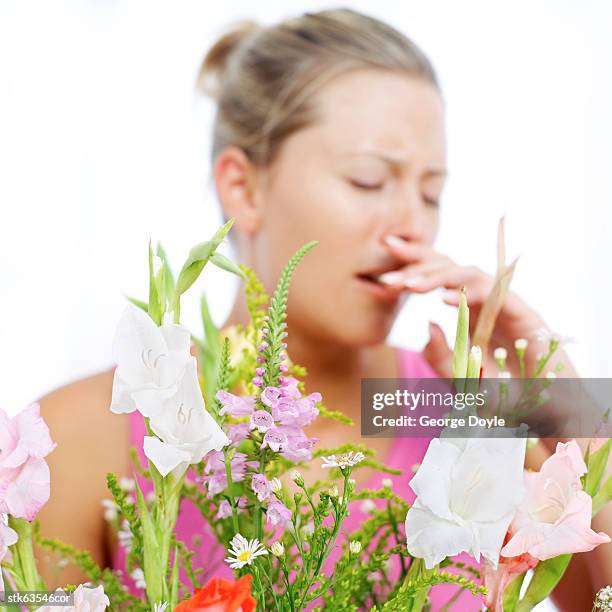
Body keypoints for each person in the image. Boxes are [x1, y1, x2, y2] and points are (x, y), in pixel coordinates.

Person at [37, 8, 610, 610]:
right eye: (367, 180)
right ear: (244, 187)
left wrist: (565, 395)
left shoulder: (467, 421)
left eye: (431, 193)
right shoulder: (79, 438)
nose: (412, 225)